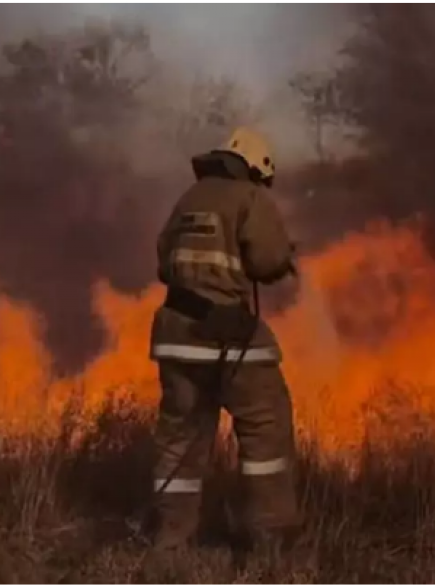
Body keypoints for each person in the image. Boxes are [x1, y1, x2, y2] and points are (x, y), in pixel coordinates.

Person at [142, 127, 302, 572]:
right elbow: (266, 260)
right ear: (256, 168)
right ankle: (271, 540)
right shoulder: (249, 197)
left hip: (175, 333)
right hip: (225, 334)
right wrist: (285, 256)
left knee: (180, 436)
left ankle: (170, 540)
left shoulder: (188, 200)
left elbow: (163, 260)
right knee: (265, 424)